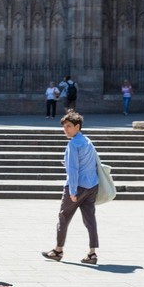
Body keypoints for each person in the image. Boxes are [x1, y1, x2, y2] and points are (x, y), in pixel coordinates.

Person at [42, 110, 100, 265]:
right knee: (90, 219)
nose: (65, 129)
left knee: (64, 216)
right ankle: (92, 253)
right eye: (64, 126)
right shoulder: (87, 141)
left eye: (68, 126)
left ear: (77, 126)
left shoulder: (73, 144)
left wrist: (73, 191)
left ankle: (58, 250)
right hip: (92, 185)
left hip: (77, 186)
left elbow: (73, 170)